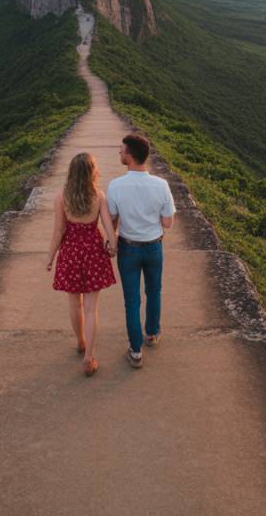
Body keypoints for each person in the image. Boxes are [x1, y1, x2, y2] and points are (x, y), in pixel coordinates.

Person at [107, 134, 175, 369]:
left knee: (132, 300)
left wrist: (111, 241)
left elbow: (113, 220)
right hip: (154, 246)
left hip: (129, 248)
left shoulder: (116, 185)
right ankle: (152, 334)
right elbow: (168, 223)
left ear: (131, 155)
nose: (119, 153)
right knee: (154, 291)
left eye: (122, 150)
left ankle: (136, 352)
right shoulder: (161, 185)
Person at [46, 152, 117, 377]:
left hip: (70, 252)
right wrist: (113, 245)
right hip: (93, 251)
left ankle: (80, 342)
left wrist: (50, 257)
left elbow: (59, 231)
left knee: (74, 304)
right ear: (90, 173)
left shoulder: (61, 197)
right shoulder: (99, 196)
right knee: (91, 307)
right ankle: (89, 358)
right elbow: (108, 227)